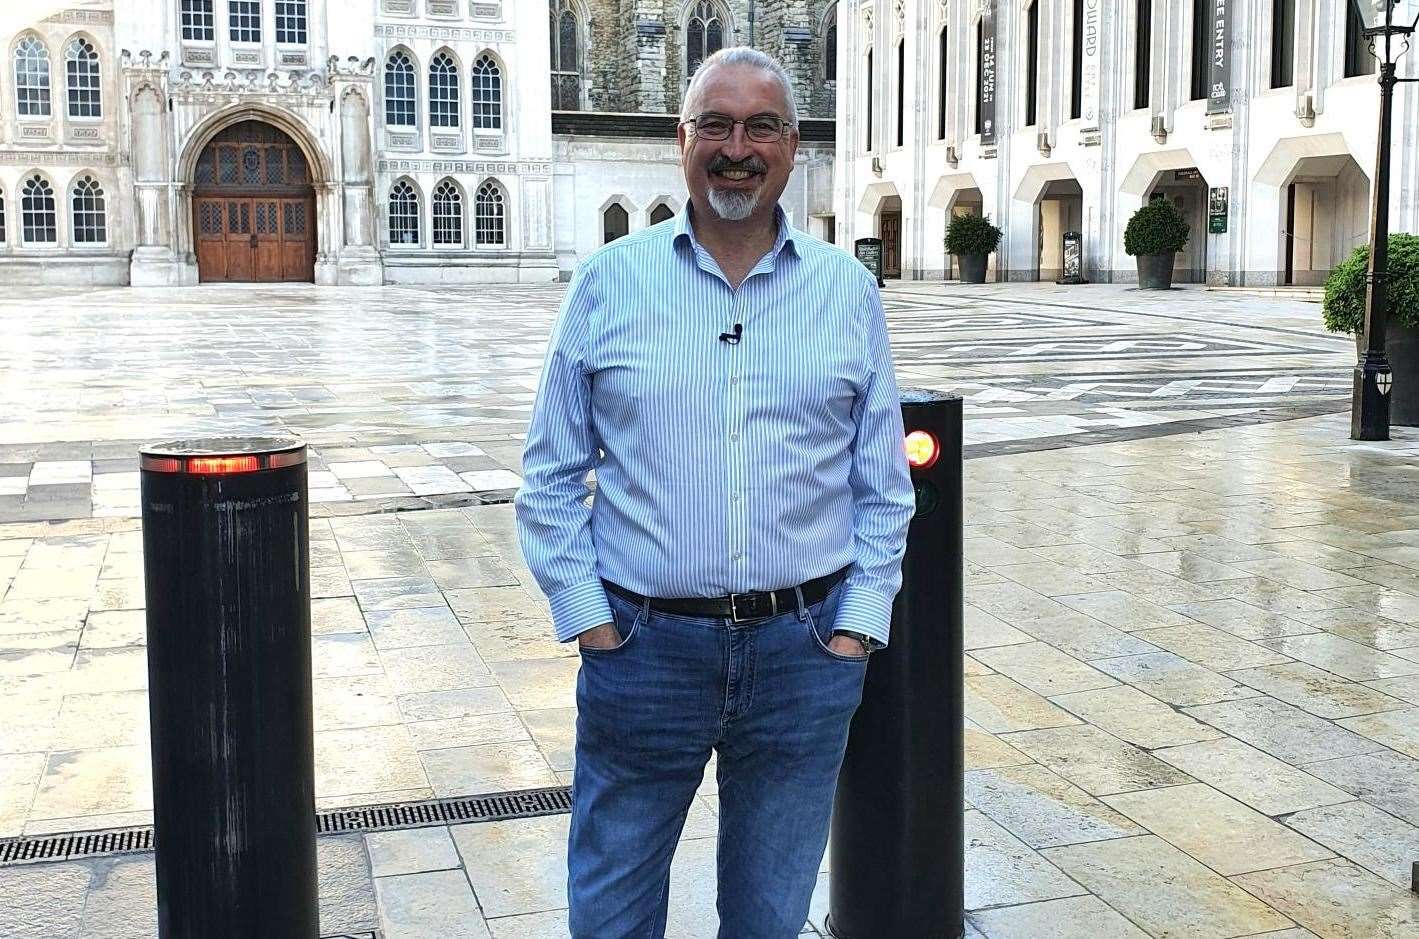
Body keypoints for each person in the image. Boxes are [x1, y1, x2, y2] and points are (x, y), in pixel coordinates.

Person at [514, 46, 914, 939]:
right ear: (681, 140)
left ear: (792, 146)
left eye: (761, 125)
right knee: (612, 908)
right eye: (717, 125)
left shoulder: (847, 294)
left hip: (804, 653)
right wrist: (592, 619)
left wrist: (857, 626)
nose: (738, 147)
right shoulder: (608, 284)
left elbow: (882, 486)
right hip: (644, 651)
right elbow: (547, 476)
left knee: (770, 916)